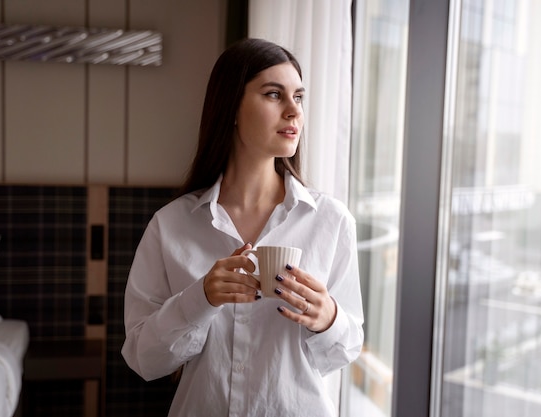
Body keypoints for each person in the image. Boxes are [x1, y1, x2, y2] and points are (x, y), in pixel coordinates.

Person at [121, 38, 364, 417]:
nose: (293, 112)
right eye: (273, 95)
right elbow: (143, 359)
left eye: (298, 97)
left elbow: (344, 352)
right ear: (231, 107)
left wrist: (328, 318)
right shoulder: (171, 226)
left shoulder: (330, 222)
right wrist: (199, 299)